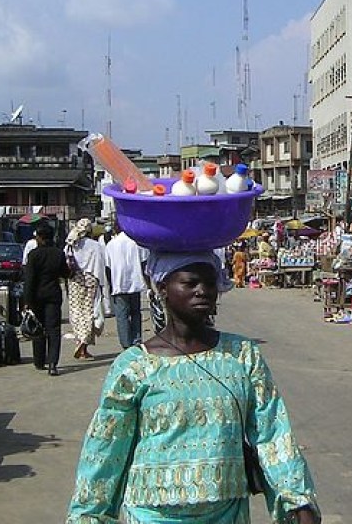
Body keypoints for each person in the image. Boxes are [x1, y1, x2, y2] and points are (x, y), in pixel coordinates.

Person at [65, 251, 321, 523]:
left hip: (227, 512)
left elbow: (271, 431)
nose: (202, 291)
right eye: (190, 283)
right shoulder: (135, 366)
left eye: (210, 283)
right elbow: (106, 448)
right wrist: (88, 514)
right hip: (150, 514)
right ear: (162, 288)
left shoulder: (242, 355)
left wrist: (297, 501)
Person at [23, 224, 70, 376]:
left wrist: (27, 301)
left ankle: (39, 361)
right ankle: (52, 364)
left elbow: (29, 280)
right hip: (53, 296)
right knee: (53, 330)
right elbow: (65, 273)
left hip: (36, 297)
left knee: (37, 328)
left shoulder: (33, 255)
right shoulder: (58, 254)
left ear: (40, 238)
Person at [104, 221, 149, 349]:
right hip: (135, 283)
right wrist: (148, 284)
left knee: (122, 316)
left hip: (118, 284)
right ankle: (137, 340)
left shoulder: (111, 245)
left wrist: (111, 285)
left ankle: (125, 344)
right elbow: (144, 263)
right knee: (135, 313)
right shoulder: (137, 243)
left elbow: (108, 268)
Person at [65, 218, 105, 360]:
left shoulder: (70, 244)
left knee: (76, 312)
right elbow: (100, 264)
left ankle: (81, 343)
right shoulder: (95, 245)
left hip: (75, 280)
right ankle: (83, 343)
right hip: (91, 279)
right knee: (89, 312)